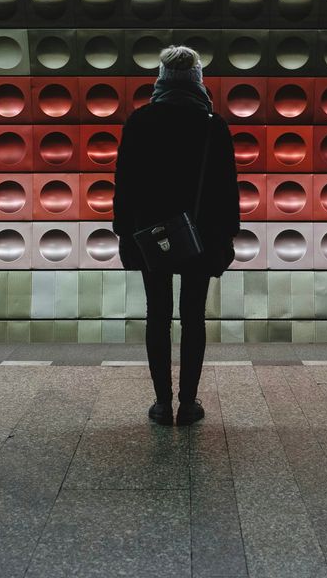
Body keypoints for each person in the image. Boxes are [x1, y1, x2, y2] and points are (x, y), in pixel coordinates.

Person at [112, 45, 240, 426]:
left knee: (158, 317)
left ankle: (161, 403)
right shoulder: (212, 125)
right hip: (199, 236)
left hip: (152, 237)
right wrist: (225, 237)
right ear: (198, 79)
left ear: (161, 78)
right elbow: (227, 189)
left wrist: (125, 233)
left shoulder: (140, 121)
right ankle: (188, 403)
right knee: (193, 319)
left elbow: (125, 185)